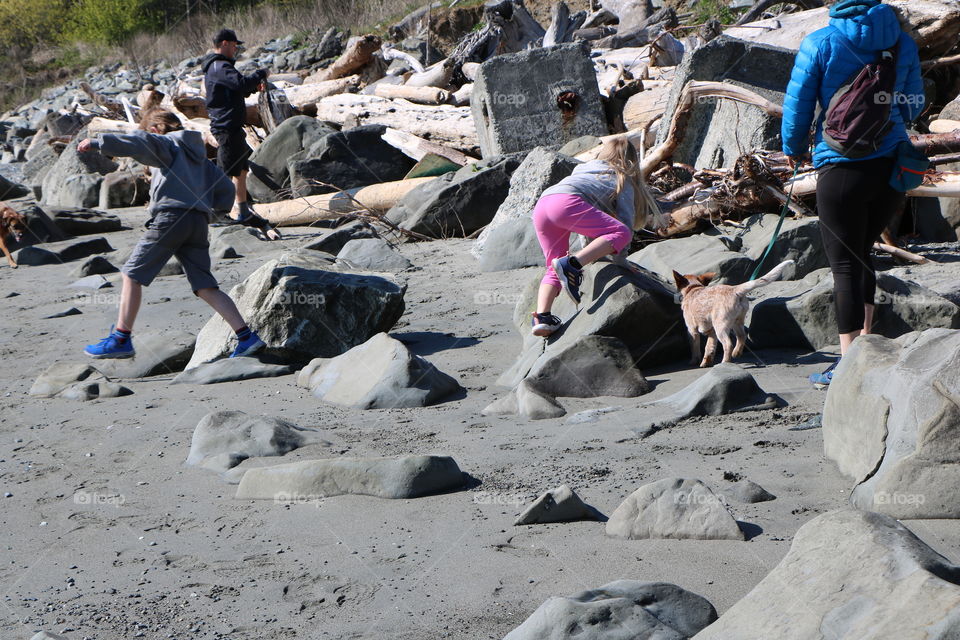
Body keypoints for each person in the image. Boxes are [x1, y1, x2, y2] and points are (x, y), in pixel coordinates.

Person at [782, 0, 924, 386]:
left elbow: (798, 104)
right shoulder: (901, 40)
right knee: (863, 255)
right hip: (892, 166)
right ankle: (866, 347)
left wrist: (793, 148)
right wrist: (889, 118)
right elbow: (915, 102)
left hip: (840, 164)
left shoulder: (820, 42)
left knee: (844, 264)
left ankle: (848, 366)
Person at [78, 108, 265, 359]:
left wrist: (100, 142)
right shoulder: (199, 157)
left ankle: (121, 338)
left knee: (132, 275)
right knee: (205, 286)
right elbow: (223, 187)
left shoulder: (166, 143)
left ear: (155, 129)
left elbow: (141, 142)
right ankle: (246, 337)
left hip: (170, 218)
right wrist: (216, 211)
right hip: (197, 222)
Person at [529, 136, 661, 337]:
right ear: (631, 162)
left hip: (543, 204)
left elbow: (588, 230)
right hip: (565, 203)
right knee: (622, 232)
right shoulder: (621, 177)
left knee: (553, 265)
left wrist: (592, 254)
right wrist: (621, 261)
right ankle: (572, 264)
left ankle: (542, 317)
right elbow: (625, 222)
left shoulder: (584, 169)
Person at [201, 28, 270, 225]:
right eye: (233, 45)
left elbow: (236, 90)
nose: (235, 49)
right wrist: (260, 74)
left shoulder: (219, 67)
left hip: (233, 126)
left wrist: (253, 86)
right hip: (226, 127)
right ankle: (218, 215)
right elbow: (240, 83)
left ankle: (243, 211)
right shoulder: (219, 66)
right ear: (224, 43)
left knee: (240, 170)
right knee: (225, 172)